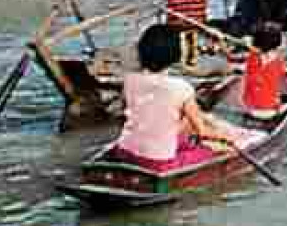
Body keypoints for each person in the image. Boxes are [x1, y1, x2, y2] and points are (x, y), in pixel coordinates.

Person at [109, 24, 255, 171]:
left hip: (124, 151)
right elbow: (202, 131)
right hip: (158, 162)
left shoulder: (130, 80)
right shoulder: (181, 87)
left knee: (188, 136)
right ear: (175, 54)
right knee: (215, 149)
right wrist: (226, 138)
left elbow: (140, 115)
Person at [237, 21, 287, 123]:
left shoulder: (252, 58)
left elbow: (252, 50)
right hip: (269, 111)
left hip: (248, 108)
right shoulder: (277, 60)